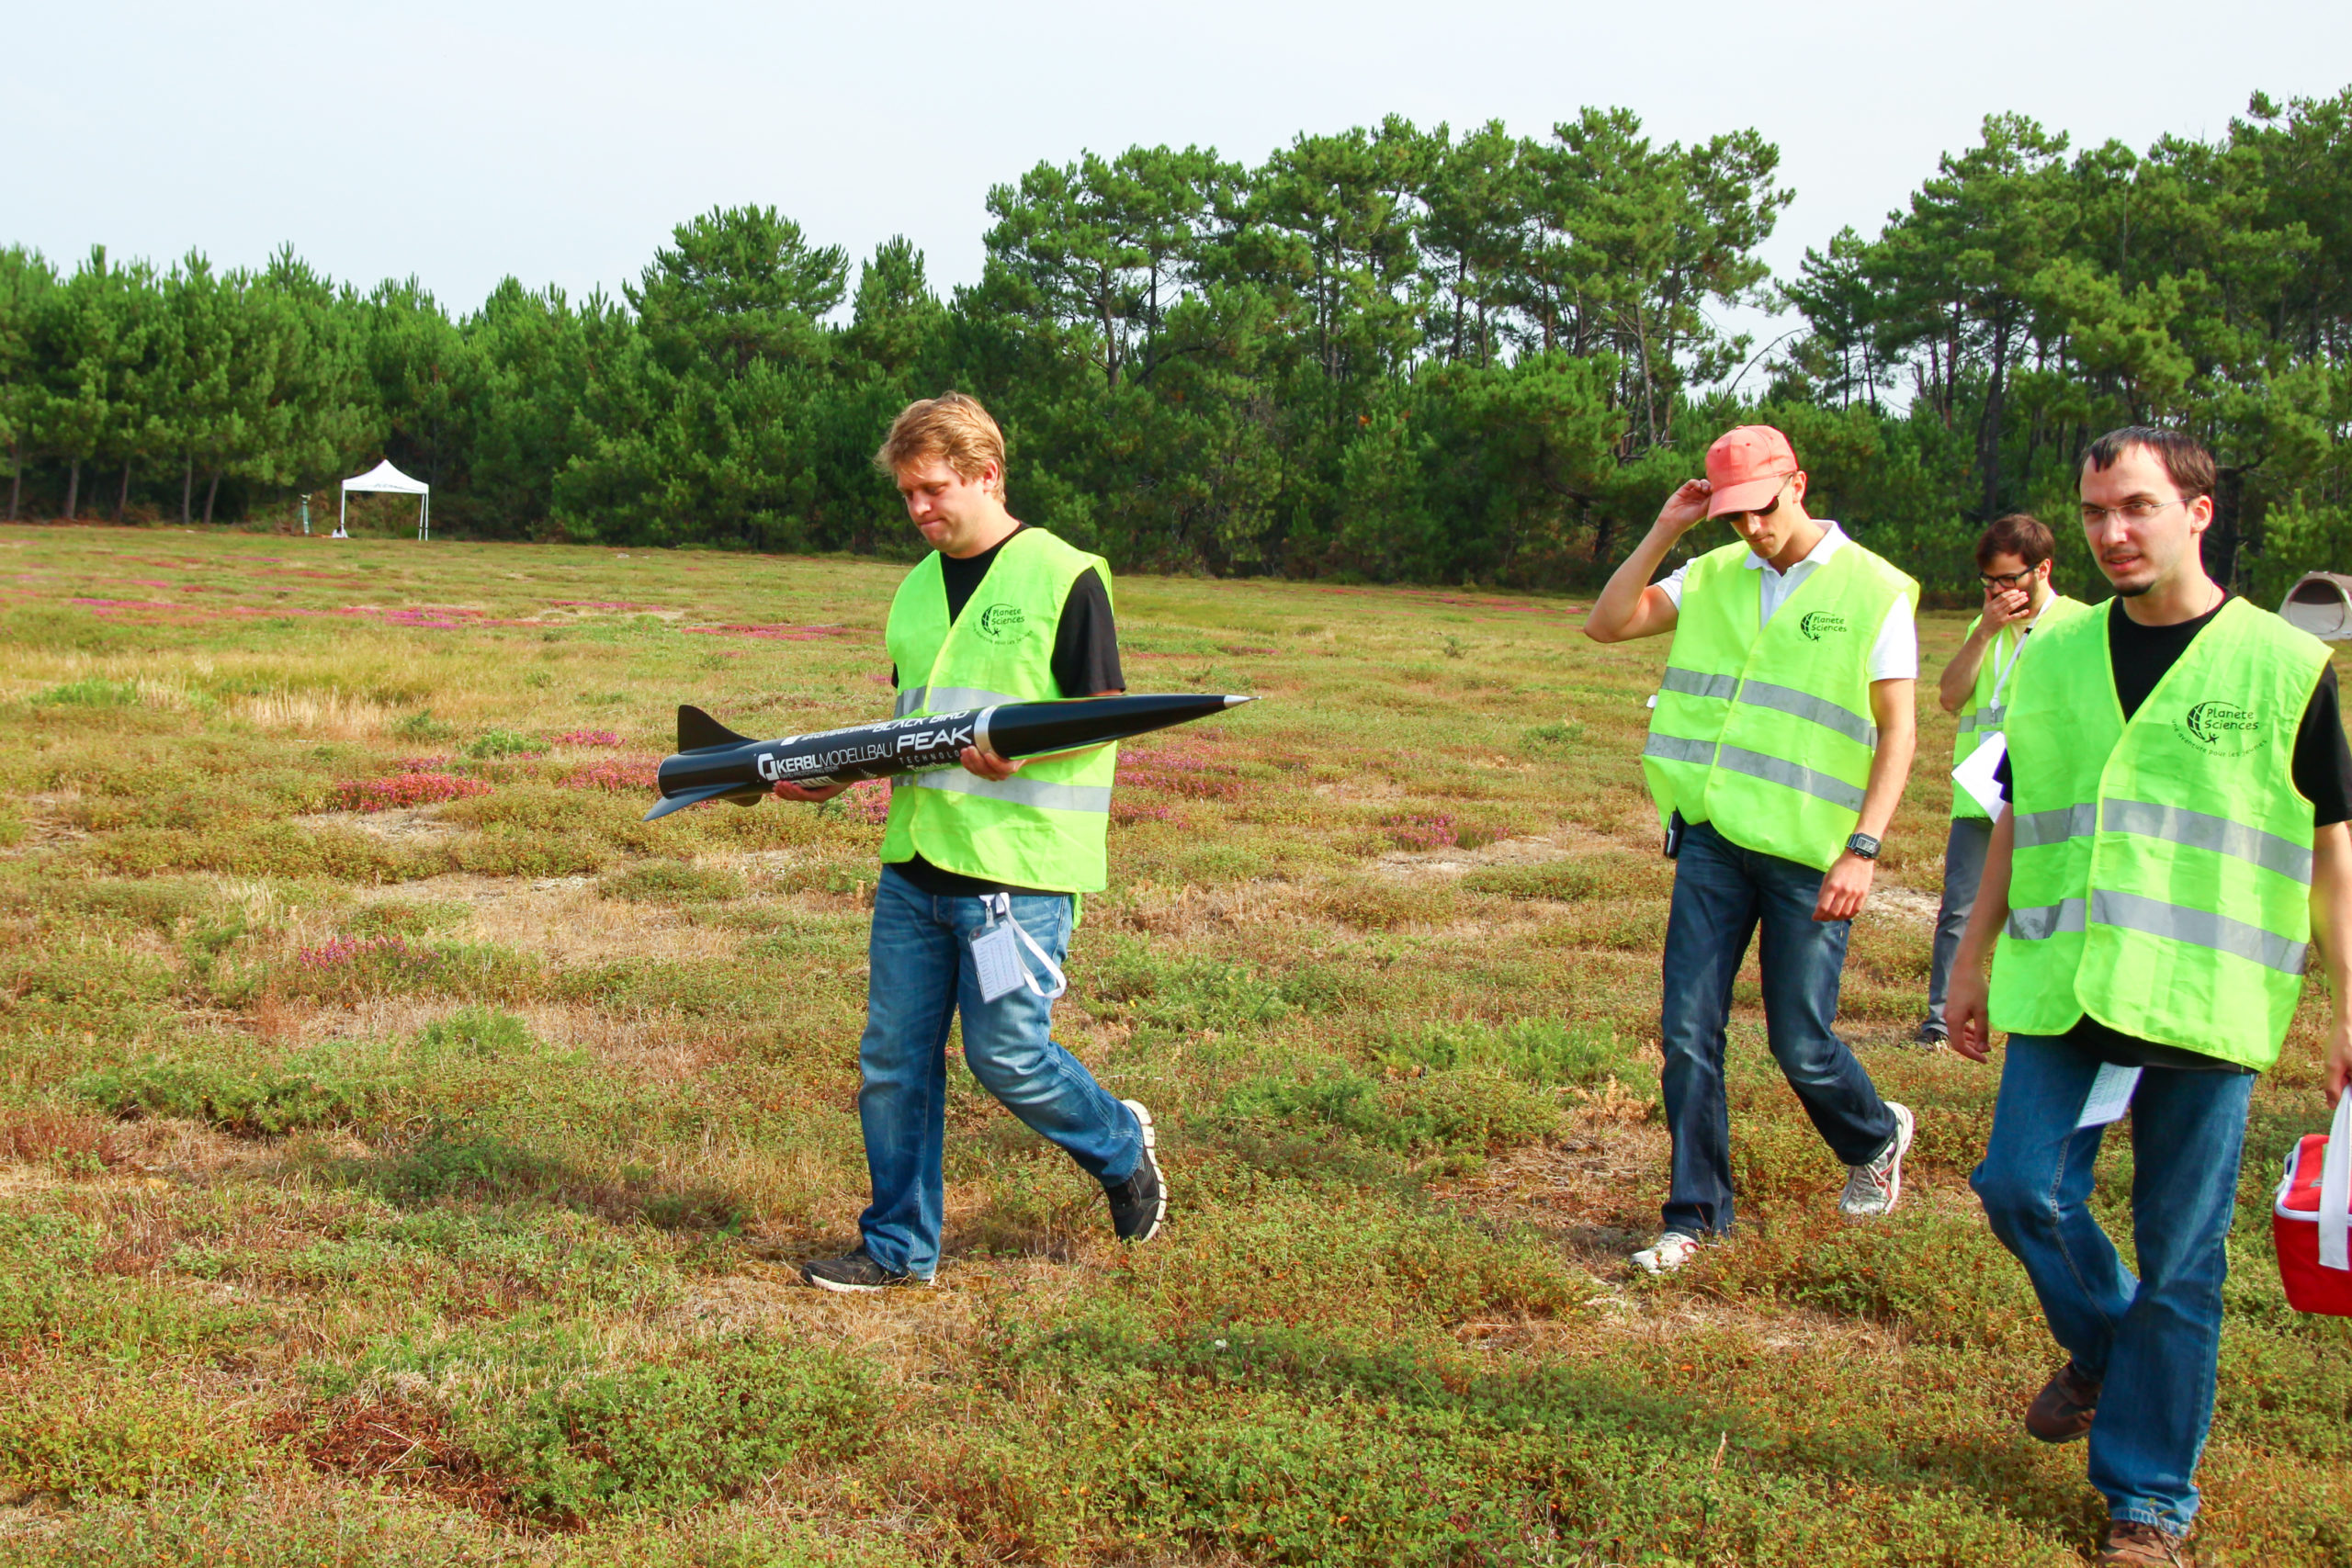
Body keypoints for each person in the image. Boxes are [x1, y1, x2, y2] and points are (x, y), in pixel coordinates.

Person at [1946, 426, 2352, 1567]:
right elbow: (2020, 814)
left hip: (2201, 1000)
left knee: (2183, 1259)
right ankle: (2113, 1353)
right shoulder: (2054, 657)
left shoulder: (2283, 665)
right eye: (2093, 513)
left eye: (2135, 507)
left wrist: (2348, 1007)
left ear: (2196, 512)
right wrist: (1971, 959)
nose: (2112, 533)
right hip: (2069, 984)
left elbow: (2332, 849)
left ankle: (2149, 1502)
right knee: (2019, 1189)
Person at [784, 392, 1165, 1292]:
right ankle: (896, 1248)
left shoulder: (1064, 575)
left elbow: (1106, 715)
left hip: (1013, 882)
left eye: (933, 490)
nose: (918, 509)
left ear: (987, 476)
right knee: (892, 1064)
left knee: (1008, 1056)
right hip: (915, 869)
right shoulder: (915, 590)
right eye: (907, 494)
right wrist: (836, 775)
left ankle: (1119, 1143)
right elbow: (913, 725)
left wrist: (1024, 748)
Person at [1585, 424, 1919, 1275]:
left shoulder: (1874, 589)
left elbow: (1899, 731)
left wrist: (1863, 848)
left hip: (1811, 852)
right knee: (1687, 1031)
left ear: (1797, 485)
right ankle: (1695, 1218)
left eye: (1762, 509)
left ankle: (1876, 1135)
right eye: (1734, 515)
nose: (1752, 528)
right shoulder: (1712, 575)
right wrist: (1667, 529)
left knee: (1799, 1043)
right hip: (1713, 837)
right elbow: (1607, 622)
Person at [1918, 514, 2085, 1045]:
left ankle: (2043, 1017)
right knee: (1959, 910)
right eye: (1988, 581)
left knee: (2049, 910)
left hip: (2047, 797)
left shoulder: (2080, 625)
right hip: (1980, 796)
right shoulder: (1983, 626)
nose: (1996, 591)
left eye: (2009, 579)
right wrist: (1985, 631)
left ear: (2043, 570)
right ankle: (1940, 1020)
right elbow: (1950, 697)